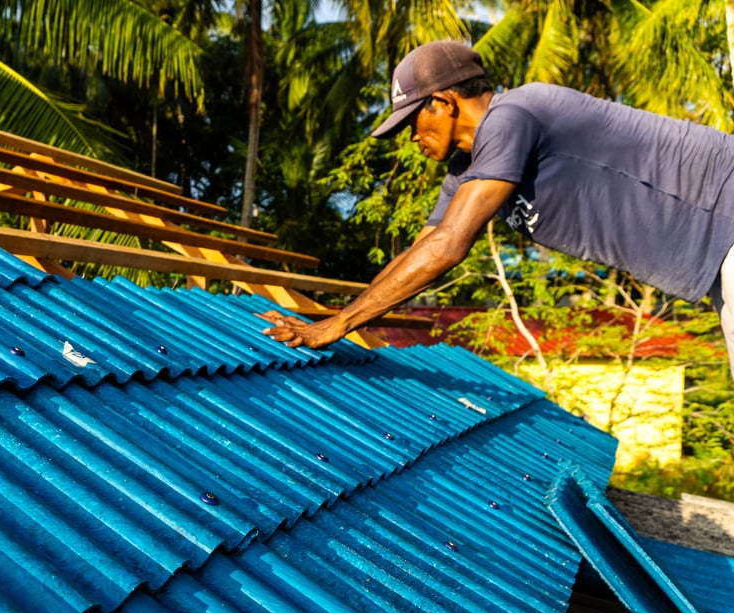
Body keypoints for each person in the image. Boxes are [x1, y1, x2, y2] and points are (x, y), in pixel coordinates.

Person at [260, 39, 734, 374]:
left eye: (412, 120)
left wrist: (337, 326)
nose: (410, 137)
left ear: (444, 103)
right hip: (714, 256)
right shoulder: (468, 166)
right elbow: (422, 250)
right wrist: (335, 317)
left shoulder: (513, 115)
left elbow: (449, 247)